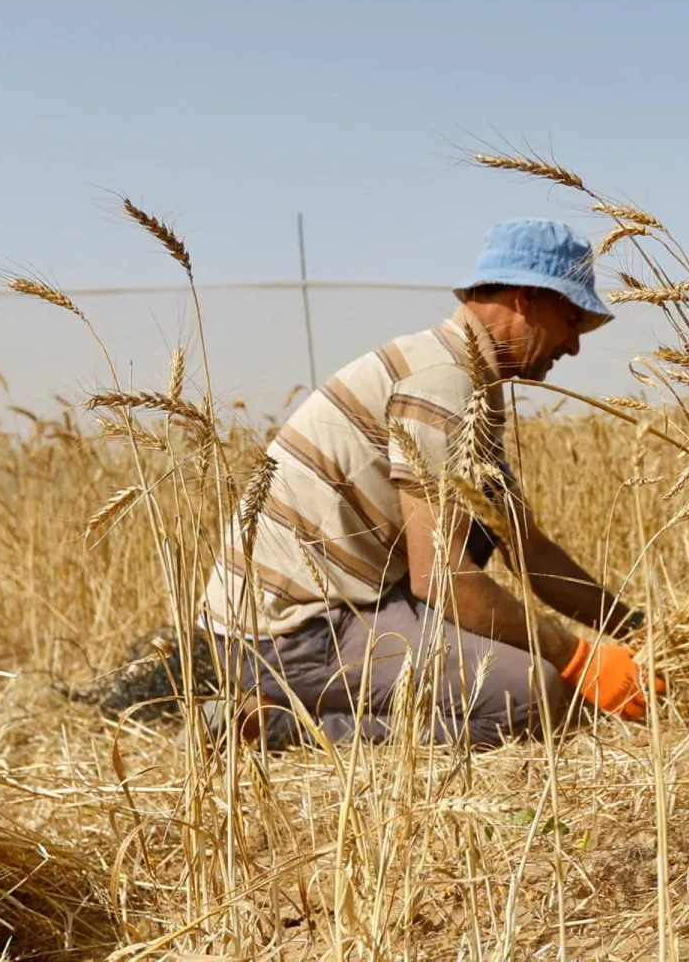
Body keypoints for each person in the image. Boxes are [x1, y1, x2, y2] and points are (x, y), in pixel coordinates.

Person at [202, 218, 663, 749]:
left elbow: (529, 550)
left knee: (493, 567)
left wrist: (637, 630)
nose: (574, 347)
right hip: (288, 635)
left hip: (337, 611)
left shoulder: (464, 378)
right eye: (572, 319)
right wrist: (575, 656)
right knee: (527, 694)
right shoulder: (442, 382)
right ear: (527, 298)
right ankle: (275, 723)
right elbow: (441, 579)